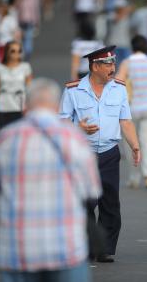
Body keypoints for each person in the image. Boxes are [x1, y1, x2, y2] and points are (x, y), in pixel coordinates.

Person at [0, 78, 101, 282]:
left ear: (25, 106)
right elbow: (91, 191)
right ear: (56, 106)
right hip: (66, 250)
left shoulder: (5, 138)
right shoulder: (75, 139)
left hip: (17, 251)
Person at [60, 45, 140, 263]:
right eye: (108, 64)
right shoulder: (73, 90)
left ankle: (104, 248)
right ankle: (86, 246)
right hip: (82, 155)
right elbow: (62, 122)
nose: (113, 68)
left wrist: (134, 145)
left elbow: (125, 120)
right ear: (94, 66)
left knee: (110, 202)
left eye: (113, 63)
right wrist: (79, 129)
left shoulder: (120, 88)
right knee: (85, 202)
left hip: (109, 153)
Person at [116, 35, 147, 190]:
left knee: (131, 143)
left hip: (132, 107)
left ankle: (134, 177)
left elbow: (119, 82)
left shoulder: (127, 63)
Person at [0, 40, 32, 129]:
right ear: (6, 52)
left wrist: (29, 107)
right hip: (3, 106)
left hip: (19, 106)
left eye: (19, 51)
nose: (16, 54)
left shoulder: (25, 67)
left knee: (18, 134)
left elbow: (30, 89)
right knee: (4, 133)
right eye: (13, 51)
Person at [0, 0, 21, 66]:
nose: (0, 11)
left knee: (9, 61)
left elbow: (15, 31)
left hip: (8, 43)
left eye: (2, 9)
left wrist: (17, 42)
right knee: (0, 63)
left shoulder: (10, 19)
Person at [106, 0, 132, 67]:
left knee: (127, 66)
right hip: (114, 45)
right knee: (113, 66)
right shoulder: (111, 15)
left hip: (125, 44)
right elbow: (117, 18)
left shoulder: (127, 16)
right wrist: (126, 11)